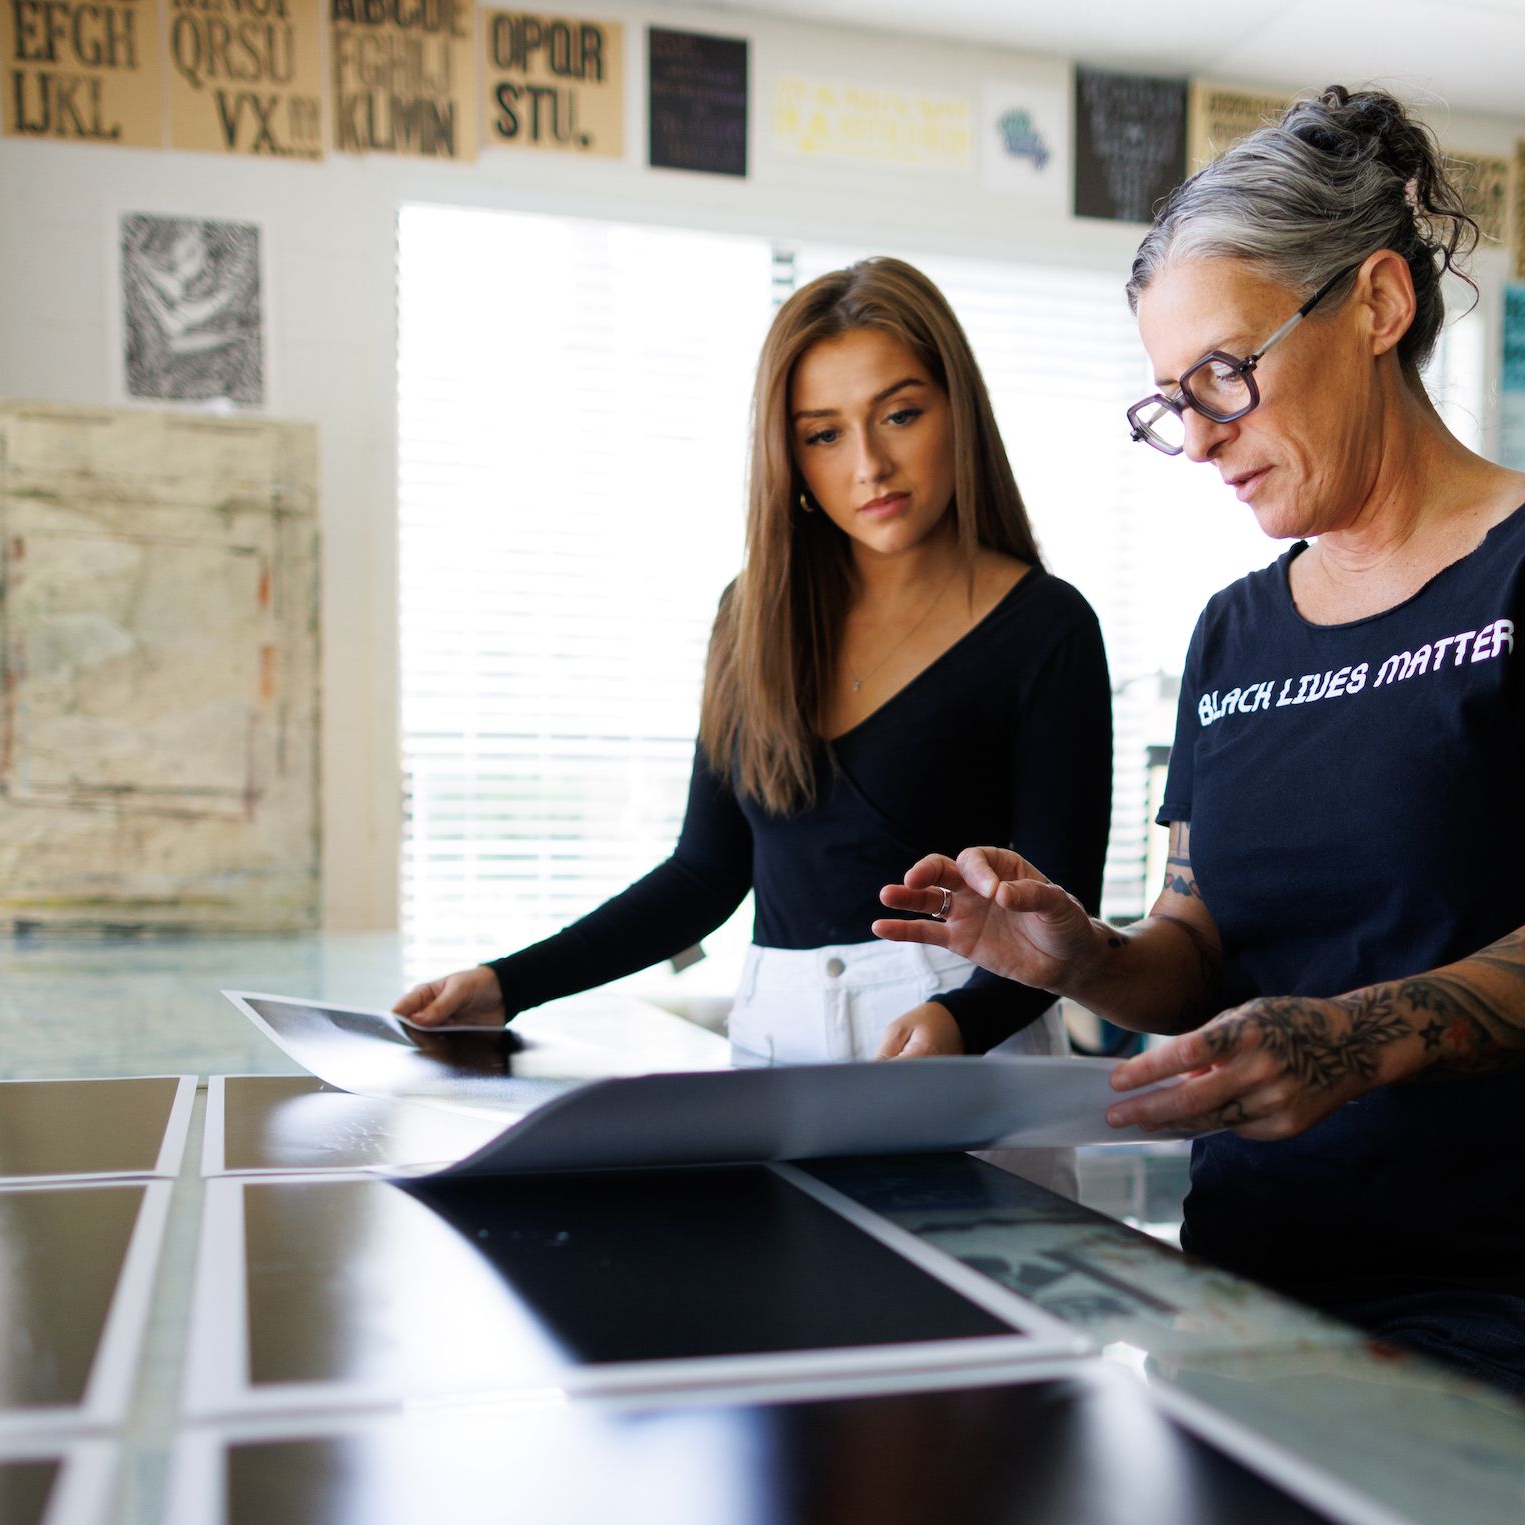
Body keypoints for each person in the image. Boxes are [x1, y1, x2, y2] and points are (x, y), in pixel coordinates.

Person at [873, 88, 1525, 1441]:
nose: (1203, 431)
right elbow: (1202, 943)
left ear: (1377, 304)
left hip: (1502, 1297)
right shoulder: (1237, 631)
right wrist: (1081, 958)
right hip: (1252, 1278)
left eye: (1224, 372)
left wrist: (1353, 1038)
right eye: (1171, 401)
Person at [395, 257, 1111, 1065]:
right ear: (791, 456)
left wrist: (962, 1020)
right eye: (824, 434)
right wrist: (507, 982)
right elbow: (704, 875)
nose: (868, 464)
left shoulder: (1048, 627)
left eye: (900, 414)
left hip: (968, 1046)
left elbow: (1061, 917)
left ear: (959, 411)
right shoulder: (753, 616)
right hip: (776, 1038)